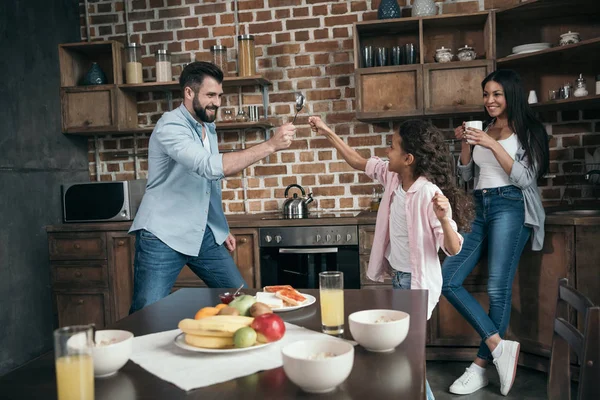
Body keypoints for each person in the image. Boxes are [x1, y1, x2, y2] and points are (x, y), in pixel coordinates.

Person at [309, 116, 474, 400]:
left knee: (405, 356)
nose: (387, 151)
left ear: (408, 158)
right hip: (400, 279)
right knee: (404, 355)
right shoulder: (392, 176)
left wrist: (445, 219)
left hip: (417, 284)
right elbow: (358, 161)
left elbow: (454, 248)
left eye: (393, 147)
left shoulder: (427, 193)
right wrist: (326, 131)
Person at [128, 61, 296, 314]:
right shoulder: (170, 127)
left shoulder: (207, 127)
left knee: (242, 301)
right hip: (162, 234)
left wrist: (219, 226)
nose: (217, 102)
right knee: (146, 314)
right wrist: (270, 145)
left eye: (219, 95)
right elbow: (209, 167)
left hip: (203, 233)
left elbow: (207, 185)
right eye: (210, 95)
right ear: (188, 92)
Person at [441, 69, 550, 396]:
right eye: (486, 94)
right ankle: (500, 347)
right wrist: (465, 145)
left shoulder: (529, 130)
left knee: (497, 287)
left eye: (496, 94)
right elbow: (466, 173)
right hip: (480, 205)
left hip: (510, 205)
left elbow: (526, 177)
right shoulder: (484, 129)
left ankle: (479, 367)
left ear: (511, 94)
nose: (489, 100)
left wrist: (489, 142)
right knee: (448, 278)